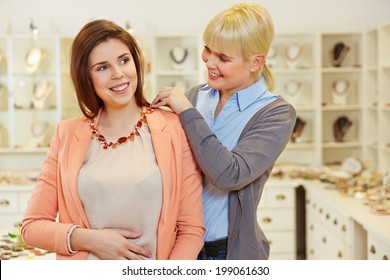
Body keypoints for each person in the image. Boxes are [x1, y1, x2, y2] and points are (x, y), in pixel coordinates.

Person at [21, 19, 205, 260]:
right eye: (102, 67)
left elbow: (191, 229)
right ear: (86, 77)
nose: (119, 74)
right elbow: (32, 227)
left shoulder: (173, 128)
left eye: (124, 60)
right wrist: (91, 240)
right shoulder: (66, 134)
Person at [151, 2, 296, 260]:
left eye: (224, 58)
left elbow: (230, 174)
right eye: (208, 49)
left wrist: (187, 113)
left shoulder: (276, 114)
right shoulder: (195, 96)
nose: (210, 62)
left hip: (228, 252)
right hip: (180, 248)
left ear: (256, 62)